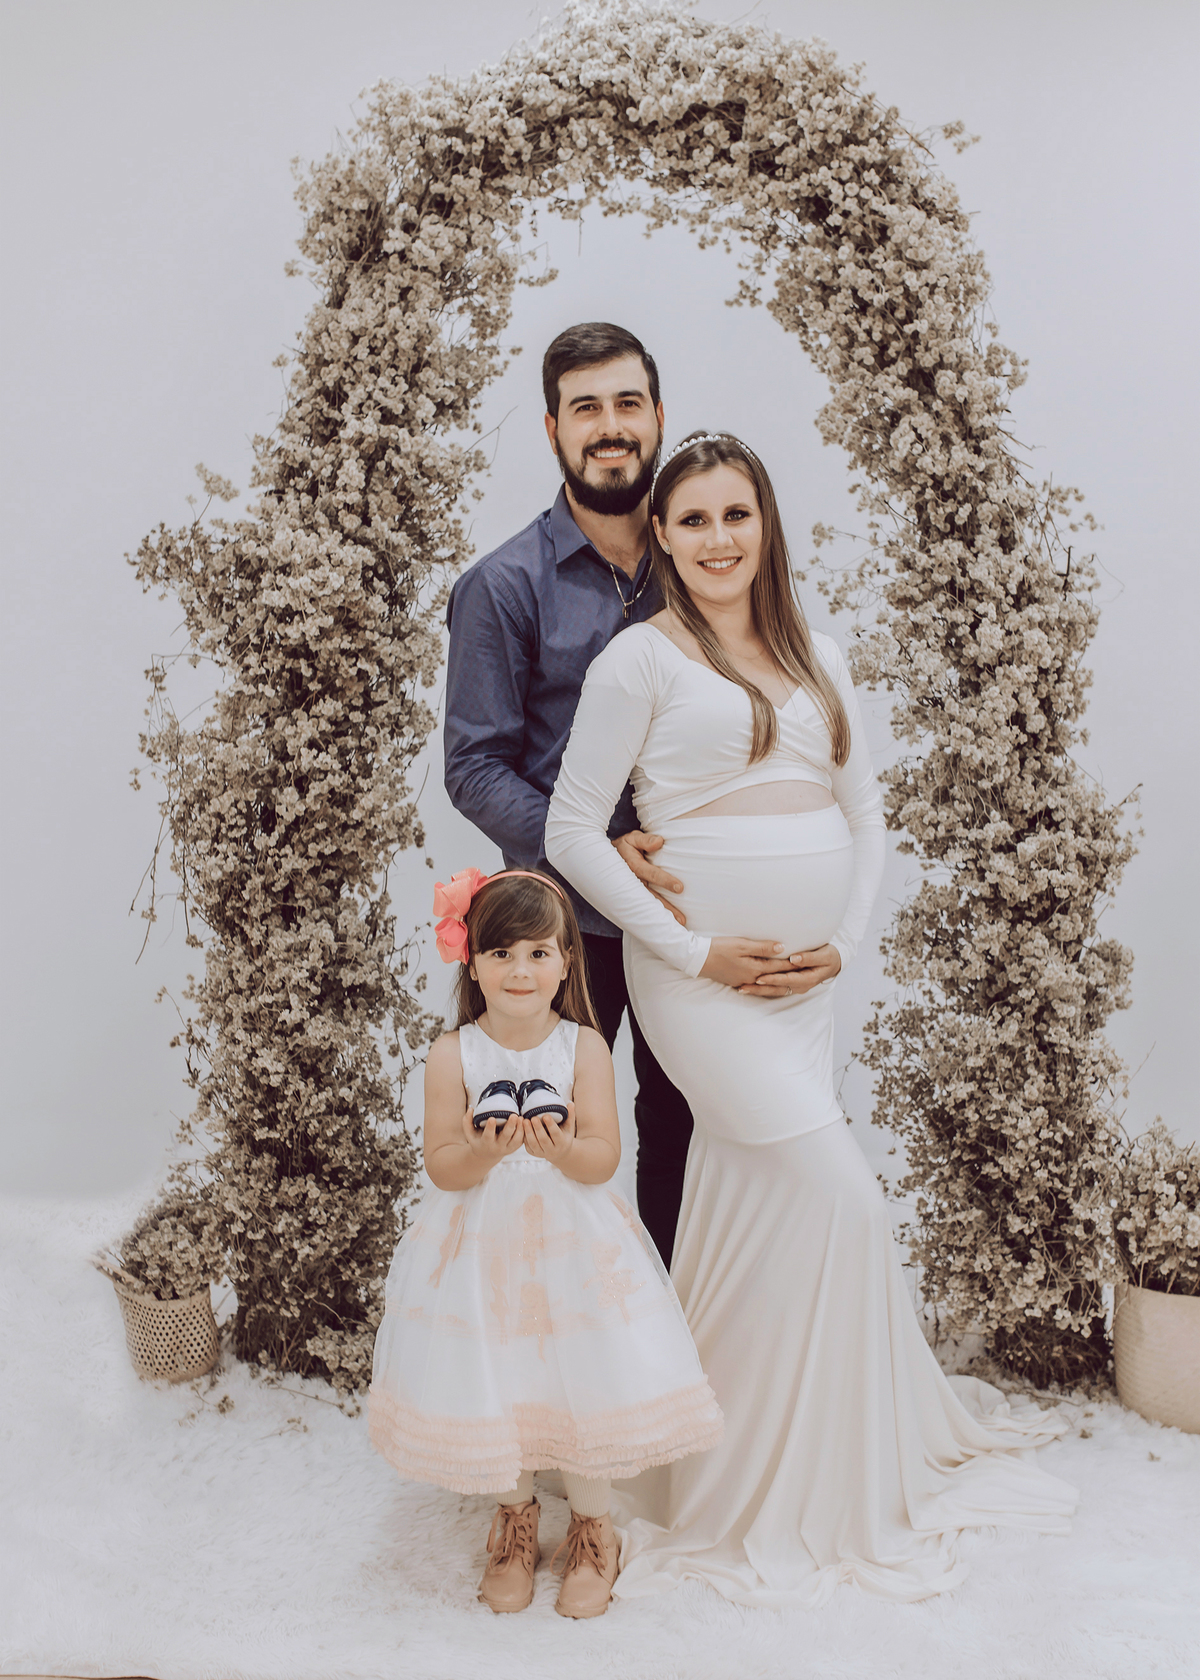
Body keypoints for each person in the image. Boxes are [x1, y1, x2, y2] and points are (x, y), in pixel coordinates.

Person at [544, 432, 1077, 1606]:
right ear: (662, 535)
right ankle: (777, 1472)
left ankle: (739, 1438)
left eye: (736, 514)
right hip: (701, 986)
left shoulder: (819, 656)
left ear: (766, 522)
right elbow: (572, 830)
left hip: (804, 990)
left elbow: (868, 816)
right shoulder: (639, 661)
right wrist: (694, 949)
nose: (717, 538)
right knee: (843, 1197)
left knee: (762, 1207)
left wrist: (843, 941)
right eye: (693, 519)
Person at [367, 868, 722, 1619]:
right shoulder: (452, 1053)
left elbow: (603, 1158)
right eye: (501, 954)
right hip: (481, 1250)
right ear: (472, 962)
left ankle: (593, 1529)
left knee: (581, 1377)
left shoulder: (583, 1047)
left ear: (566, 962)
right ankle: (516, 1520)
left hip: (572, 1246)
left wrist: (563, 1151)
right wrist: (482, 1152)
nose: (520, 970)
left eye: (538, 953)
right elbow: (442, 1165)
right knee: (500, 1374)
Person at [445, 322, 727, 1265]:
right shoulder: (502, 587)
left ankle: (679, 1315)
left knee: (693, 1116)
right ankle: (571, 1322)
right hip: (571, 920)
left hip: (698, 899)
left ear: (659, 417)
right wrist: (596, 853)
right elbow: (474, 766)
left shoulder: (706, 561)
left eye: (627, 403)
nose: (610, 426)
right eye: (586, 408)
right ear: (553, 429)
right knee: (562, 1132)